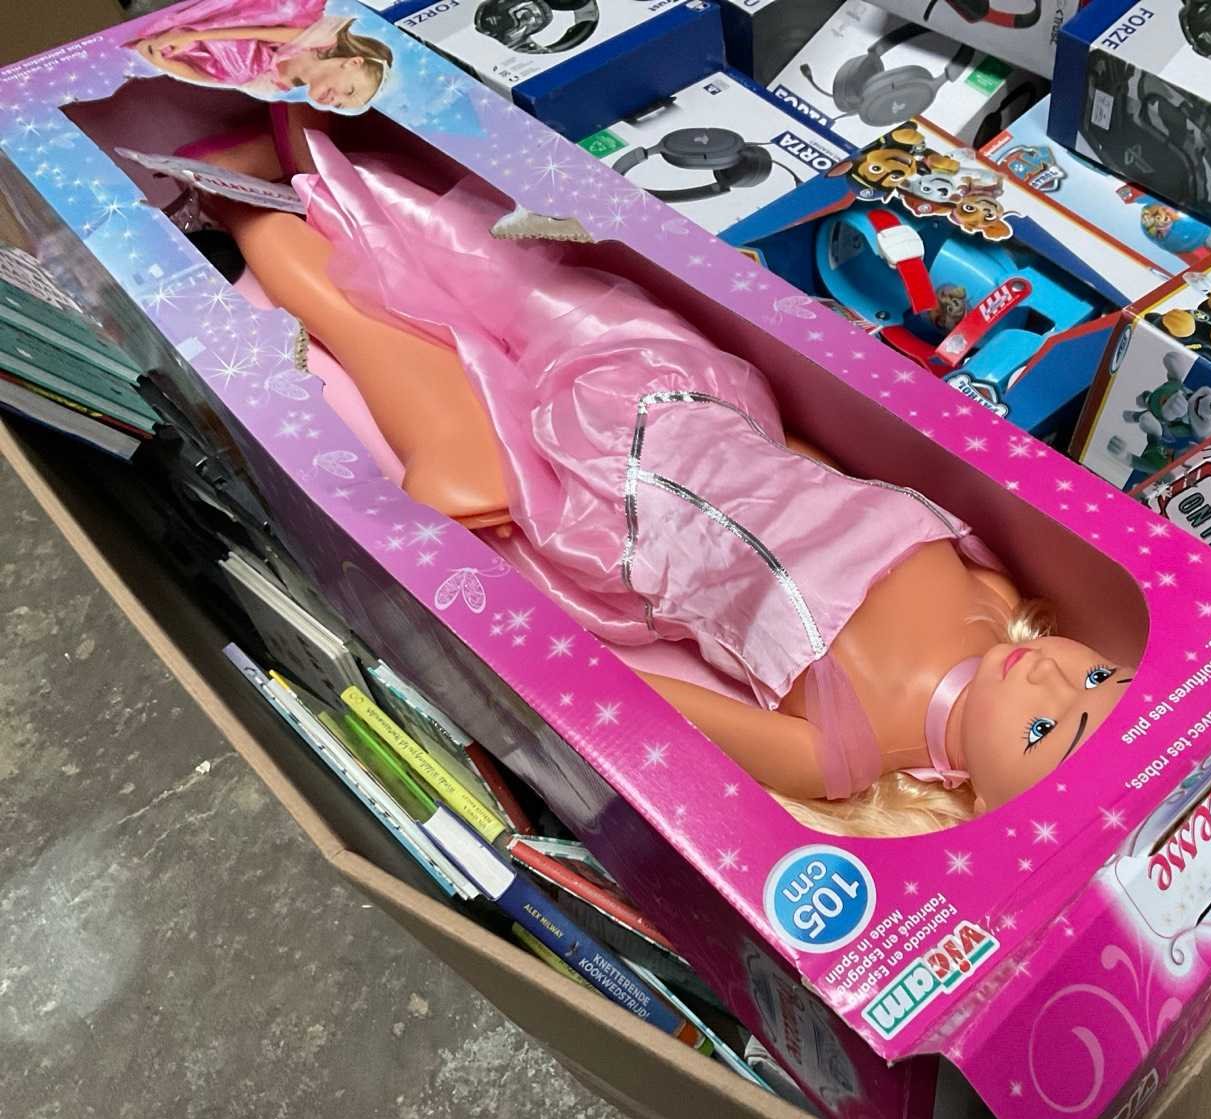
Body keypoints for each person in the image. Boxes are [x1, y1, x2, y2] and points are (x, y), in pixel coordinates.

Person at [191, 125, 1135, 835]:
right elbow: (826, 480)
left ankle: (239, 205)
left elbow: (649, 699)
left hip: (619, 506)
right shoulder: (992, 593)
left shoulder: (841, 754)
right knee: (509, 274)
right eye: (1095, 673)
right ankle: (325, 159)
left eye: (1045, 731)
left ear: (989, 803)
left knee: (418, 372)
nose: (1056, 675)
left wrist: (514, 617)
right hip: (700, 402)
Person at [126, 0, 392, 112]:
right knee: (287, 9)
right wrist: (190, 35)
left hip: (196, 46)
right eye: (349, 91)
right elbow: (251, 28)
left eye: (340, 106)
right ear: (353, 62)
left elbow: (211, 79)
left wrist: (161, 62)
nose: (335, 100)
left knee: (242, 72)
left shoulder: (274, 86)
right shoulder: (321, 38)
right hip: (229, 19)